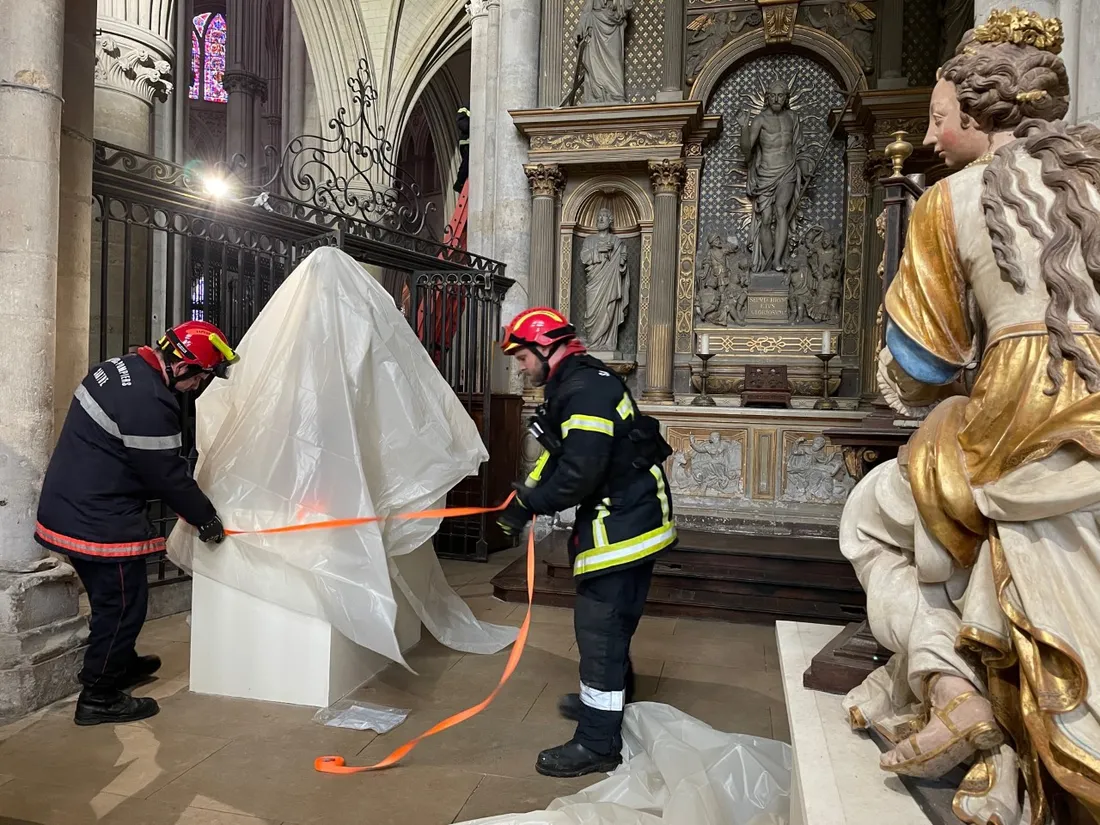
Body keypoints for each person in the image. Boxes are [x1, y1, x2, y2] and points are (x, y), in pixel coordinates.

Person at [840, 10, 1100, 821]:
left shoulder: (952, 198)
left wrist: (899, 365)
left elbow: (921, 364)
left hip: (1019, 416)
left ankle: (952, 687)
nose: (928, 135)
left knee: (876, 518)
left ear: (979, 116)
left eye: (937, 117)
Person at [496, 307, 678, 778]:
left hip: (624, 523)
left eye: (522, 357)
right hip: (623, 516)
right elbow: (558, 459)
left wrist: (530, 506)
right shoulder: (573, 383)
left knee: (599, 632)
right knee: (609, 628)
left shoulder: (585, 391)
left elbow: (579, 473)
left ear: (547, 348)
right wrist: (524, 497)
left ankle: (598, 743)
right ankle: (609, 701)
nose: (521, 367)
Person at [35, 320, 238, 726]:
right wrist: (206, 518)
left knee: (109, 600)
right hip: (99, 520)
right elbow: (166, 476)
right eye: (199, 377)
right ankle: (99, 696)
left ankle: (120, 663)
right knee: (124, 606)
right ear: (181, 366)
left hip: (71, 506)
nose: (197, 386)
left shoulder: (118, 367)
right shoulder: (150, 402)